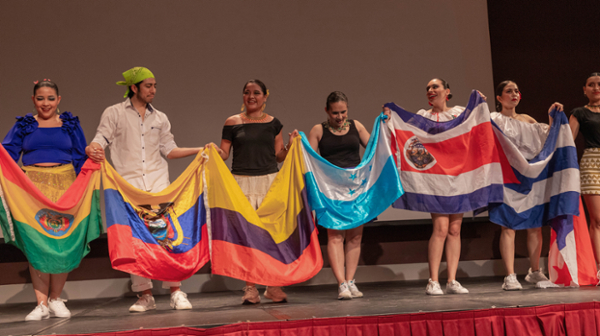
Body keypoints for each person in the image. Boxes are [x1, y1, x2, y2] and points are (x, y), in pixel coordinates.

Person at [85, 67, 202, 312]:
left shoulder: (160, 118)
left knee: (166, 237)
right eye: (148, 85)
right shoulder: (114, 113)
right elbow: (101, 138)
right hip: (129, 188)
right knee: (135, 241)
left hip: (159, 188)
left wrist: (198, 151)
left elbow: (169, 150)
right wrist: (92, 148)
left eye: (155, 85)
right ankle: (144, 295)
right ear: (134, 87)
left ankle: (176, 291)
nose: (153, 90)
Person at [2, 80, 87, 321]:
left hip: (65, 187)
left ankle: (56, 298)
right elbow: (7, 153)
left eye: (51, 98)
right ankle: (41, 304)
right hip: (32, 189)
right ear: (33, 100)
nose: (46, 103)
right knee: (37, 243)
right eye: (41, 98)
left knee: (60, 243)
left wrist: (84, 186)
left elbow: (81, 156)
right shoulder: (25, 125)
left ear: (58, 100)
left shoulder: (70, 124)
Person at [206, 79, 297, 304]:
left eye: (256, 92)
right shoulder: (232, 122)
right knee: (246, 237)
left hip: (269, 183)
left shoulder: (274, 123)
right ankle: (250, 288)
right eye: (247, 92)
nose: (251, 96)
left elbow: (279, 156)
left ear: (265, 96)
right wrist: (215, 152)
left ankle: (273, 286)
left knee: (270, 236)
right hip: (241, 184)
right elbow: (225, 154)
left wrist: (290, 146)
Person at [492, 80, 563, 290]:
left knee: (535, 225)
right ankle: (510, 276)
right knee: (509, 225)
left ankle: (534, 271)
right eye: (508, 91)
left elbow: (548, 138)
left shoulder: (528, 120)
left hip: (531, 175)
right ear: (499, 98)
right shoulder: (493, 119)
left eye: (516, 91)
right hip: (507, 176)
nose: (514, 94)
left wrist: (553, 117)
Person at [307, 91, 370, 300]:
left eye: (343, 112)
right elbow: (308, 160)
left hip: (355, 189)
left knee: (355, 236)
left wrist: (385, 123)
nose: (340, 117)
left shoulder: (357, 126)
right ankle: (341, 284)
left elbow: (375, 147)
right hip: (330, 190)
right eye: (335, 113)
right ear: (327, 111)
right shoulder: (318, 130)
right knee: (335, 236)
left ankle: (351, 281)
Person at [419, 78, 471, 295]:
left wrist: (480, 104)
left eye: (435, 87)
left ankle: (451, 279)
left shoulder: (459, 113)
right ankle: (433, 281)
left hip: (457, 176)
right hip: (436, 177)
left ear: (447, 91)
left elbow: (477, 125)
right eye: (428, 88)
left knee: (454, 229)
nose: (431, 90)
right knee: (440, 228)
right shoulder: (422, 116)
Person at [569, 72, 600, 284]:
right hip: (592, 163)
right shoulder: (579, 112)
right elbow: (568, 140)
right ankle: (599, 268)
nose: (596, 88)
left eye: (599, 84)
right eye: (591, 85)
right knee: (597, 220)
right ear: (584, 89)